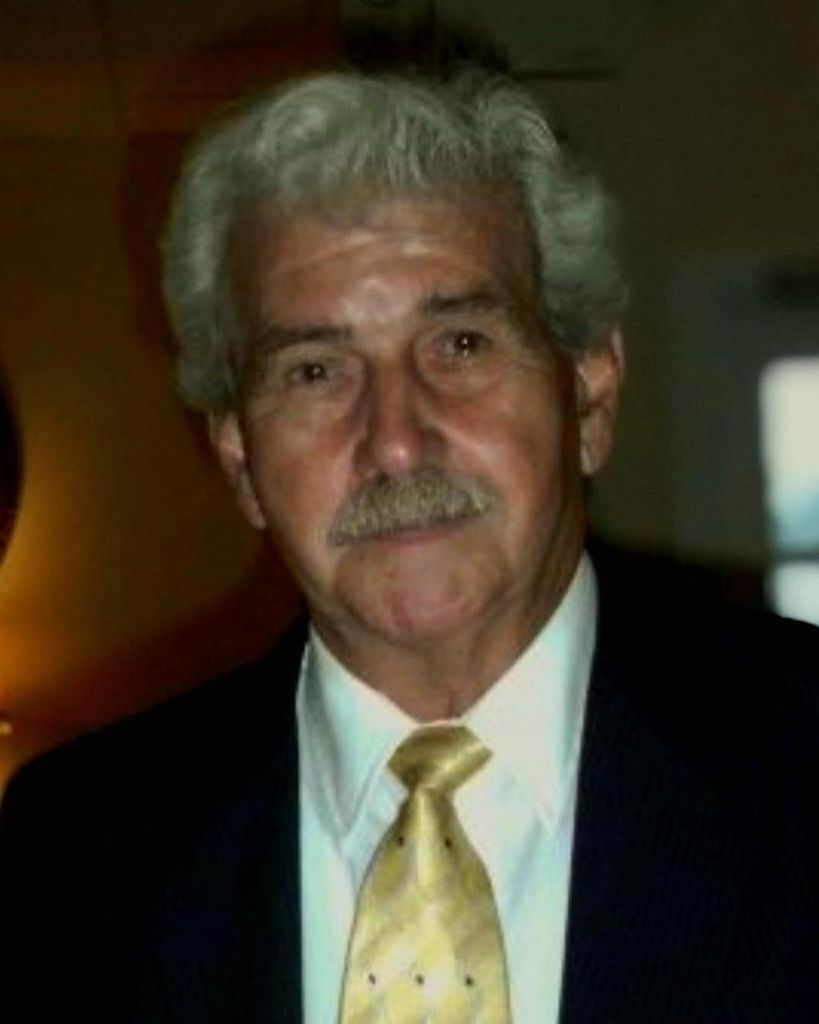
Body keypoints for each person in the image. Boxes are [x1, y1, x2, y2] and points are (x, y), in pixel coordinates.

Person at [1, 67, 818, 1024]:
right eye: (315, 370)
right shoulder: (74, 851)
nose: (394, 441)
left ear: (589, 396)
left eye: (460, 344)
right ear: (239, 458)